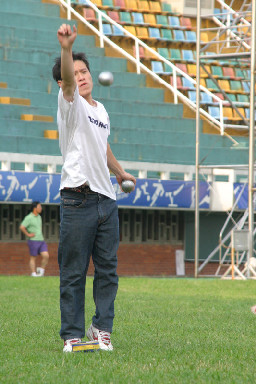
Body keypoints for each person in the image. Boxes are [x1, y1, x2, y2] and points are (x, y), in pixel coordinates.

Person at [52, 23, 136, 353]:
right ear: (64, 82)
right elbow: (70, 84)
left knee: (108, 271)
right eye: (74, 73)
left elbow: (102, 147)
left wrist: (119, 172)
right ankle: (72, 334)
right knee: (73, 271)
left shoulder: (101, 111)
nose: (81, 76)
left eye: (84, 70)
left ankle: (101, 329)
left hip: (106, 200)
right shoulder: (68, 102)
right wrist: (67, 48)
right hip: (77, 198)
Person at [20, 201, 49, 277]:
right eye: (39, 207)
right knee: (33, 257)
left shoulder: (39, 217)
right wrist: (28, 234)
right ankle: (33, 273)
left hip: (41, 240)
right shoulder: (29, 217)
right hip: (33, 240)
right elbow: (22, 227)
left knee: (46, 255)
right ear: (34, 208)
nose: (41, 208)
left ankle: (41, 271)